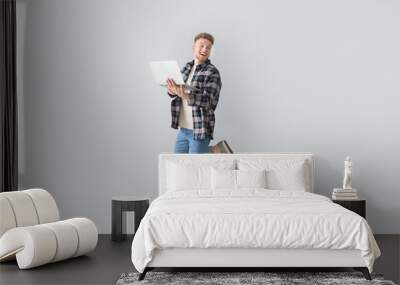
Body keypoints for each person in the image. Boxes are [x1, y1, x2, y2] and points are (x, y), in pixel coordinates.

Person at [166, 32, 222, 153]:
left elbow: (209, 101)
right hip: (183, 129)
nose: (205, 49)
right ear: (193, 48)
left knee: (196, 168)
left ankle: (214, 151)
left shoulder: (212, 72)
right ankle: (213, 150)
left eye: (208, 47)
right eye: (201, 45)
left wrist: (185, 95)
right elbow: (176, 93)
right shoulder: (187, 67)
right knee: (179, 166)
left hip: (199, 129)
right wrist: (172, 90)